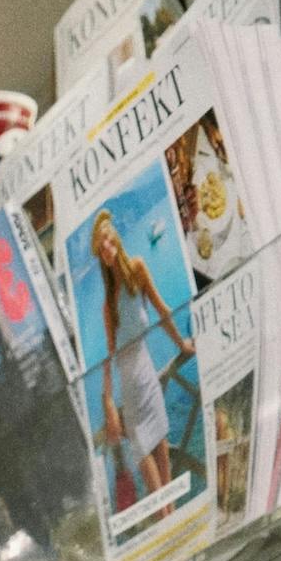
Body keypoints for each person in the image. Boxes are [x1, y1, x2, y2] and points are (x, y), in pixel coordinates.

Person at [84, 211, 192, 509]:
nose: (107, 249)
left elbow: (162, 310)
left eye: (108, 241)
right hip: (130, 393)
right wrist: (108, 402)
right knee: (155, 491)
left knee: (167, 479)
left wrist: (181, 344)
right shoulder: (109, 304)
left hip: (149, 379)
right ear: (100, 256)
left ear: (116, 239)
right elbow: (109, 356)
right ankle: (166, 527)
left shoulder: (138, 269)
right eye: (101, 248)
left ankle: (177, 530)